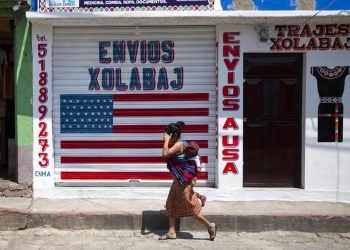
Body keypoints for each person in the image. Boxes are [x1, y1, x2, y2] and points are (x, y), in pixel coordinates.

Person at [159, 121, 217, 241]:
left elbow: (165, 154)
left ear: (173, 135)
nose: (164, 137)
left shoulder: (179, 144)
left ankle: (210, 226)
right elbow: (166, 154)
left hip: (184, 182)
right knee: (170, 204)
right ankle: (171, 232)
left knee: (190, 207)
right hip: (178, 181)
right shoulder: (179, 143)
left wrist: (165, 141)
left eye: (167, 135)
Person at [183, 140, 207, 207]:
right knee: (190, 191)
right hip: (187, 176)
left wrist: (195, 168)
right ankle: (202, 197)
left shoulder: (196, 158)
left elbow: (199, 169)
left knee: (187, 191)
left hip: (192, 178)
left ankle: (192, 205)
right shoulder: (187, 152)